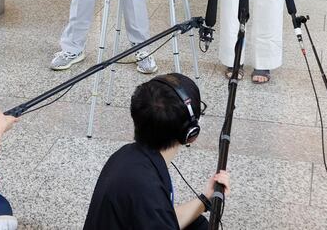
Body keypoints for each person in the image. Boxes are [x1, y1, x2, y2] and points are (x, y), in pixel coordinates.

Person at [84, 74, 230, 230]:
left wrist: (206, 198)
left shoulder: (126, 156)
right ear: (191, 134)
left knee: (197, 225)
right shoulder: (147, 189)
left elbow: (161, 219)